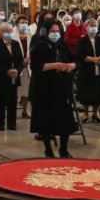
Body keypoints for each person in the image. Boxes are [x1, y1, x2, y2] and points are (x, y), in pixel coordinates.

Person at [29, 18, 78, 158]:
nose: (55, 34)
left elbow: (74, 60)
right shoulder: (39, 46)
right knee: (45, 120)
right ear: (46, 32)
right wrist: (54, 65)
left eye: (57, 31)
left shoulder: (62, 45)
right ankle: (48, 149)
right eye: (52, 31)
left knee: (65, 120)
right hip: (45, 87)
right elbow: (36, 66)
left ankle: (64, 149)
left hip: (62, 88)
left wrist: (72, 66)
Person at [0, 22, 24, 131]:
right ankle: (0, 123)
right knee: (1, 101)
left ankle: (12, 123)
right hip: (1, 77)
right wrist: (7, 71)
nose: (9, 33)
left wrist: (16, 70)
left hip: (14, 76)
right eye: (6, 31)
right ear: (1, 33)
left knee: (12, 100)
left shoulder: (16, 44)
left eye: (10, 31)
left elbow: (20, 61)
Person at [76, 17, 100, 123]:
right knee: (86, 91)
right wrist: (93, 59)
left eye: (95, 25)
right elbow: (80, 55)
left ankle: (95, 114)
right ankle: (86, 114)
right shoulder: (82, 40)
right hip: (87, 70)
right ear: (86, 28)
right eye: (91, 26)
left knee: (98, 92)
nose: (94, 28)